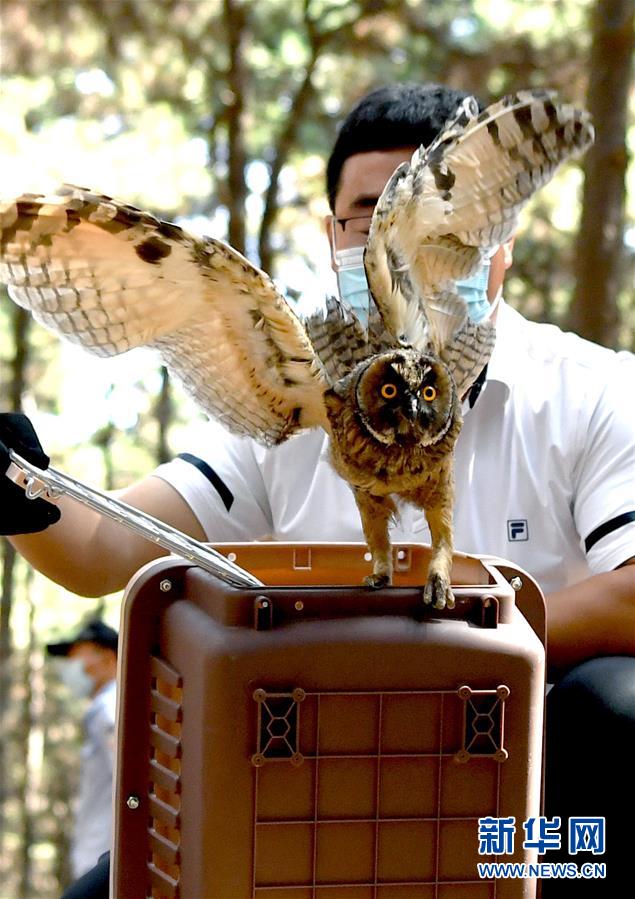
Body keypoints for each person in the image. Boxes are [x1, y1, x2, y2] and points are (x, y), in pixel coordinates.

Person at [1, 83, 633, 896]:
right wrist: (22, 491)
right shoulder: (297, 400)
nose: (401, 250)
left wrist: (432, 637)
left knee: (615, 709)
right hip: (297, 791)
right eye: (369, 217)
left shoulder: (589, 391)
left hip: (506, 816)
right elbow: (102, 548)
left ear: (500, 234)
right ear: (332, 235)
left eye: (446, 220)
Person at [46, 619, 118, 882]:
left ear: (108, 658)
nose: (70, 668)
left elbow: (129, 775)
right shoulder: (105, 707)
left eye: (76, 658)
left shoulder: (110, 708)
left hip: (105, 860)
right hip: (100, 857)